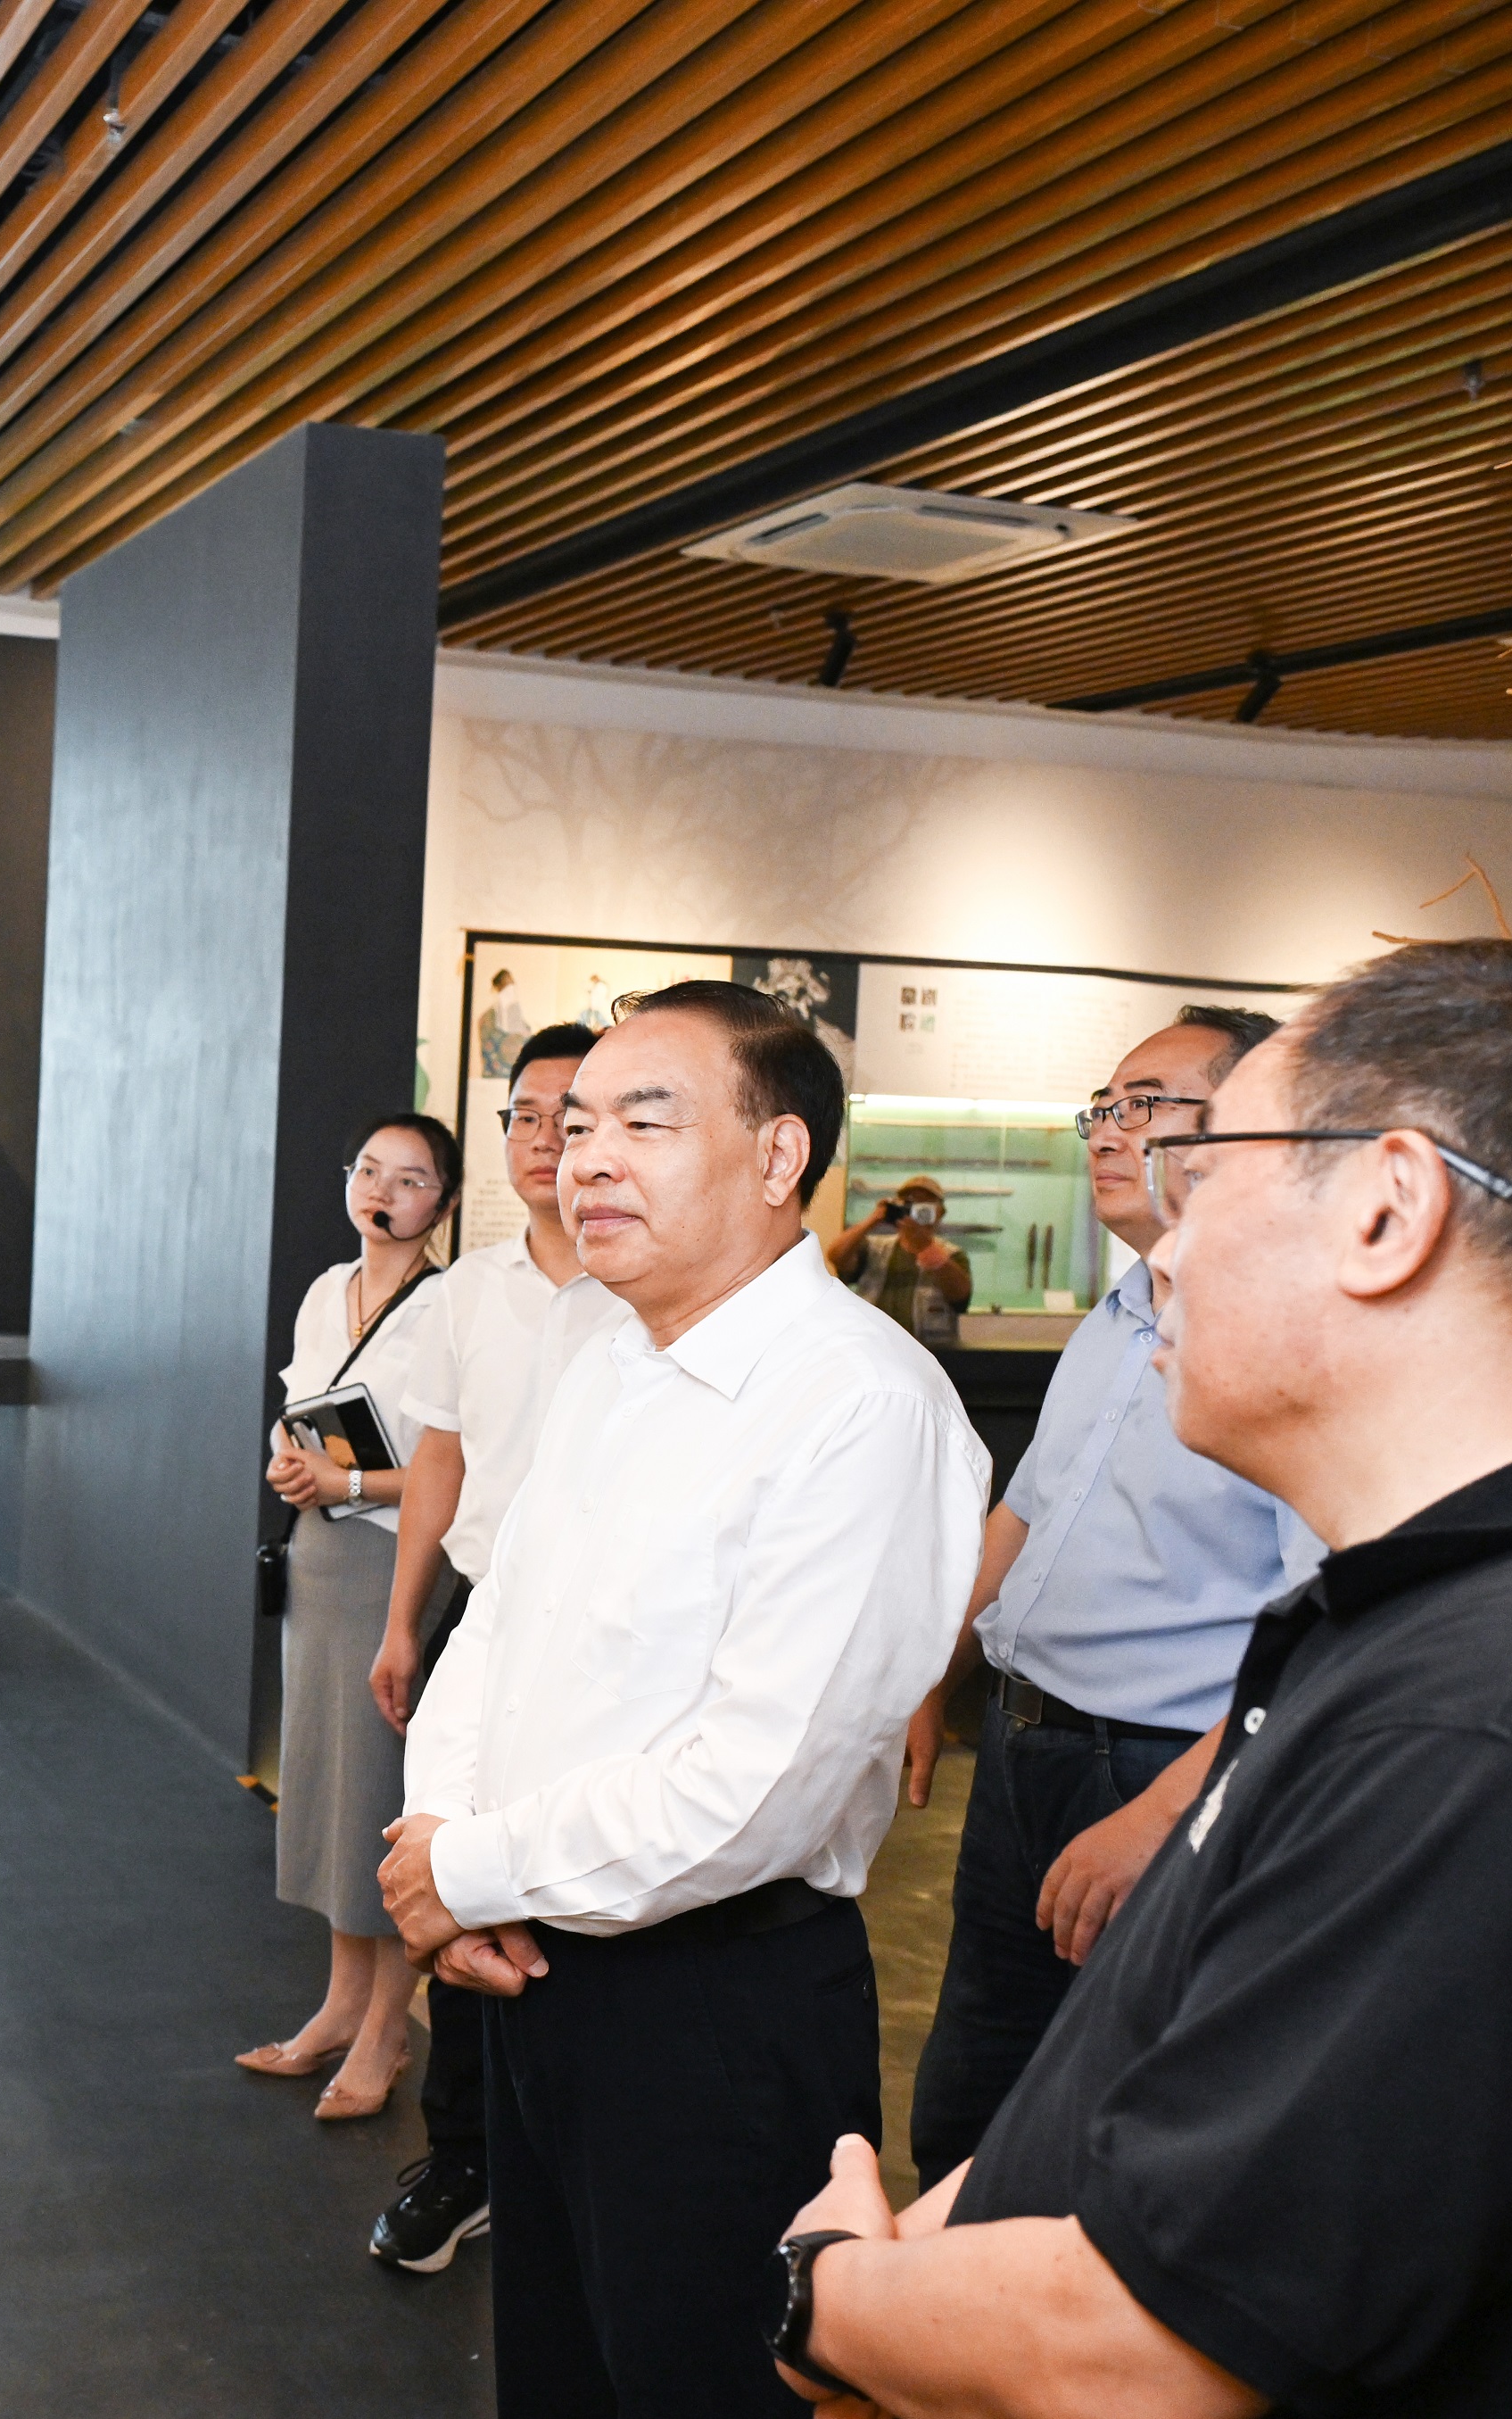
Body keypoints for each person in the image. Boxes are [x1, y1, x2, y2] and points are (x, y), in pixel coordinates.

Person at [766, 939, 1512, 2419]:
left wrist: (829, 2296)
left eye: (1207, 1178)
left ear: (1389, 1210)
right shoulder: (1450, 1611)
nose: (1169, 1248)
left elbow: (1148, 2341)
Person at [381, 981, 986, 2417]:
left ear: (779, 1156)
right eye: (576, 1122)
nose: (585, 1157)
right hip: (531, 1967)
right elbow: (498, 1624)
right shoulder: (610, 1357)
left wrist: (464, 1868)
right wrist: (444, 1843)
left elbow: (758, 1781)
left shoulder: (862, 1401)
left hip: (712, 2010)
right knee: (559, 2376)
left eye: (642, 1123)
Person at [902, 1008, 1322, 2185]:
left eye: (1145, 1104)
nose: (1106, 1129)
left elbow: (1330, 1625)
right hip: (1025, 1749)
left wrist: (1166, 1814)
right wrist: (928, 1681)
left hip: (1161, 1768)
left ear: (1252, 1126)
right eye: (1101, 1104)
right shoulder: (1119, 1312)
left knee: (1122, 2112)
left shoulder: (1289, 1330)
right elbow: (1022, 1518)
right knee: (977, 2086)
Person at [360, 1024, 624, 2272]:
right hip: (478, 1613)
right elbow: (439, 1463)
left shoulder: (646, 1290)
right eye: (524, 1113)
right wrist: (403, 1620)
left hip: (605, 1630)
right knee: (456, 1870)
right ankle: (463, 2154)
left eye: (573, 1114)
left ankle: (568, 2154)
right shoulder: (466, 1290)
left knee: (579, 1882)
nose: (544, 1136)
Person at [240, 1114, 457, 2122]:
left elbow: (456, 1465)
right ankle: (337, 2004)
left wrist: (348, 1481)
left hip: (396, 1563)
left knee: (379, 1786)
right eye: (369, 1169)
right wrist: (291, 1466)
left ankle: (387, 2026)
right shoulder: (328, 1287)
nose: (382, 1190)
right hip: (319, 1552)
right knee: (325, 1783)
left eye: (410, 1178)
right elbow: (296, 1408)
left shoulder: (449, 1305)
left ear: (441, 1202)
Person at [829, 1175, 971, 1346]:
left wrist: (927, 1248)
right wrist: (874, 1218)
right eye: (910, 1203)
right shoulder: (874, 1248)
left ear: (940, 1213)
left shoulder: (952, 1255)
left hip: (929, 1351)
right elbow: (836, 1256)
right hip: (875, 1348)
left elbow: (960, 1297)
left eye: (925, 1204)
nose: (917, 1210)